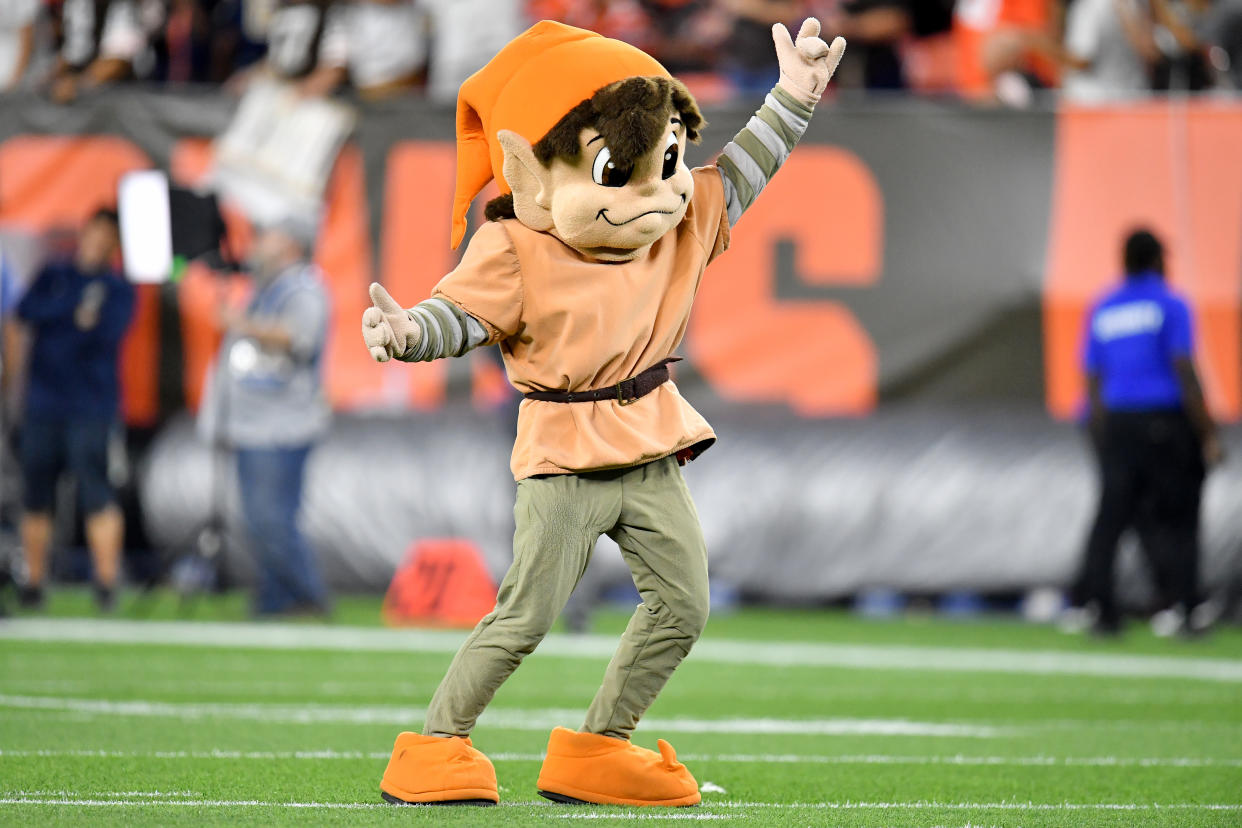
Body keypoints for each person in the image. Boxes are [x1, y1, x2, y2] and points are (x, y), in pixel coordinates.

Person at [362, 17, 845, 807]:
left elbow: (745, 171)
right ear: (530, 172)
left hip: (651, 442)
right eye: (621, 169)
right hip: (563, 450)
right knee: (525, 617)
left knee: (685, 604)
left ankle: (598, 747)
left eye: (667, 162)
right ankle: (435, 746)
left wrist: (794, 96)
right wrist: (408, 332)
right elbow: (461, 317)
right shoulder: (518, 244)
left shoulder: (679, 220)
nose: (657, 194)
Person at [1073, 228, 1222, 636]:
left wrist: (1099, 434)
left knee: (1112, 518)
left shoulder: (1104, 307)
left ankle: (1098, 607)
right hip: (1163, 419)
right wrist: (1208, 432)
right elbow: (1185, 369)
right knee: (1178, 516)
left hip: (1117, 422)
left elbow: (1091, 376)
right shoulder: (1171, 304)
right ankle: (1185, 606)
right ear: (1159, 260)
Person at [199, 216, 332, 617]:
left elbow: (298, 337)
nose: (257, 242)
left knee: (271, 519)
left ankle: (308, 595)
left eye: (268, 234)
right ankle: (275, 599)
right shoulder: (267, 286)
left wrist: (239, 323)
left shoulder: (304, 287)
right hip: (256, 424)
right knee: (264, 520)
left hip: (280, 427)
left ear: (292, 242)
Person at [15, 208, 134, 612]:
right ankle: (33, 582)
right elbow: (26, 312)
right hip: (44, 402)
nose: (98, 242)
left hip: (92, 406)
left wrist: (66, 317)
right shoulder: (56, 275)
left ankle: (105, 583)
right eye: (95, 233)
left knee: (96, 493)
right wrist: (71, 312)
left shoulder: (116, 288)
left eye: (108, 237)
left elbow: (104, 332)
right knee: (36, 495)